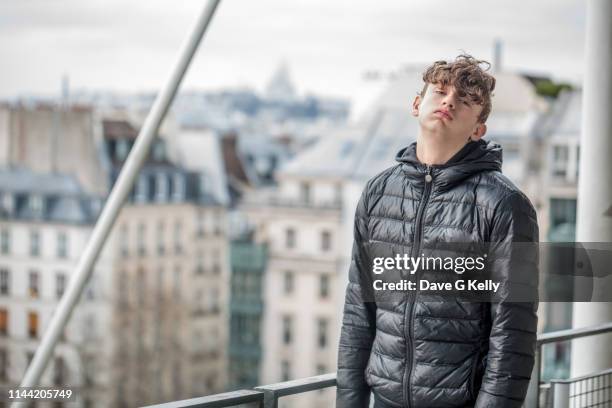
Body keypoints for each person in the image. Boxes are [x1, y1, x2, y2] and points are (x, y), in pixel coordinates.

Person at [336, 54, 539, 408]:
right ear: (417, 104)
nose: (449, 101)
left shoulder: (505, 205)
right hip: (385, 399)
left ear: (478, 129)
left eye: (465, 100)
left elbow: (512, 332)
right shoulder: (377, 192)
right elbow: (358, 311)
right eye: (440, 91)